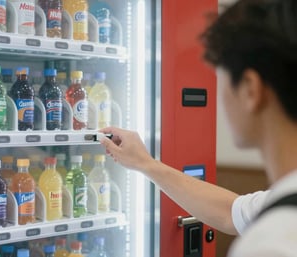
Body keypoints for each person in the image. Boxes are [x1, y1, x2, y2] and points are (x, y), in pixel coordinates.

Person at [99, 0, 297, 256]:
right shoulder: (280, 209)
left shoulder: (271, 243)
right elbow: (231, 212)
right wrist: (146, 164)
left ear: (250, 89)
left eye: (220, 77)